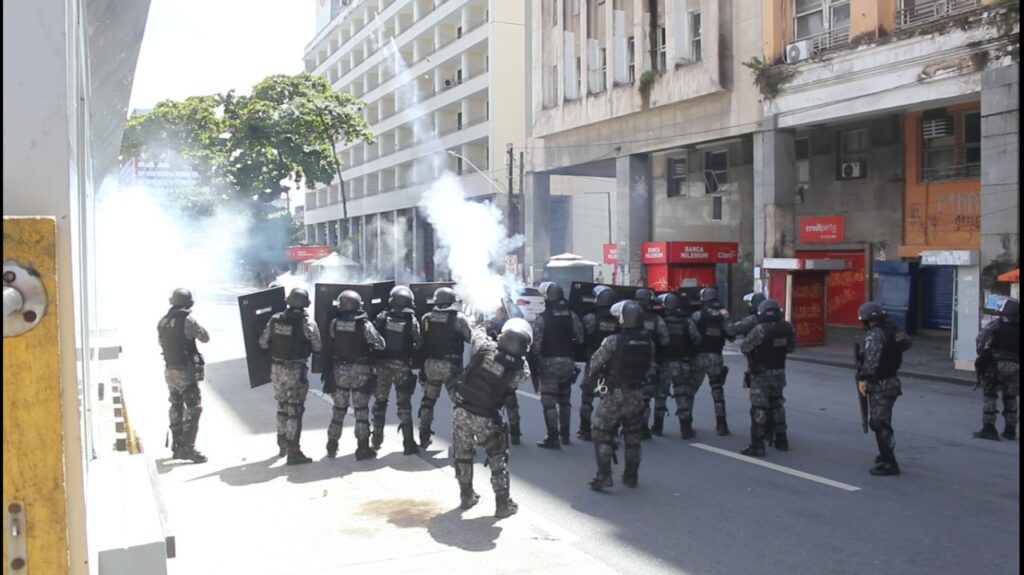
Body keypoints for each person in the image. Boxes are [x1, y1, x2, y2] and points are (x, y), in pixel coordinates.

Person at [451, 317, 533, 518]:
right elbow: (518, 372)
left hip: (462, 408)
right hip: (487, 416)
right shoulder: (522, 370)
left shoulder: (485, 347)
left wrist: (484, 324)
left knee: (462, 453)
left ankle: (466, 495)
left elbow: (476, 333)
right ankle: (502, 503)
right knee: (497, 456)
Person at [587, 301, 657, 490]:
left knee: (601, 432)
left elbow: (595, 363)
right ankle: (631, 476)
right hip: (637, 394)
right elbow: (650, 368)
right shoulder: (648, 343)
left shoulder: (613, 341)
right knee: (633, 435)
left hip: (615, 394)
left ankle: (604, 476)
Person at [259, 287, 322, 465]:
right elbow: (317, 347)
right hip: (296, 371)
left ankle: (282, 444)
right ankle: (294, 452)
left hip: (277, 369)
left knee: (282, 407)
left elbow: (263, 342)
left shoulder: (275, 319)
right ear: (306, 304)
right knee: (295, 410)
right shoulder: (307, 323)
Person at [324, 289, 386, 460]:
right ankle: (363, 448)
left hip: (340, 371)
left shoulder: (334, 323)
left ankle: (331, 446)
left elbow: (331, 339)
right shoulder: (365, 325)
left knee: (338, 410)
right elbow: (380, 344)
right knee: (361, 411)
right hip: (360, 371)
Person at [856, 301, 912, 476]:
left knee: (879, 423)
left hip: (880, 385)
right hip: (892, 382)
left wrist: (862, 377)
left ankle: (889, 462)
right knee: (883, 421)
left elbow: (871, 362)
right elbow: (906, 343)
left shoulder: (875, 335)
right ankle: (884, 455)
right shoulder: (891, 330)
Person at [158, 288, 210, 463]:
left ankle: (177, 445)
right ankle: (188, 448)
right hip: (184, 371)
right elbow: (205, 337)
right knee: (194, 408)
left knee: (176, 405)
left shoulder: (163, 321)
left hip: (170, 370)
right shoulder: (188, 320)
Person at [739, 299, 795, 456]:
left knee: (759, 408)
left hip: (761, 374)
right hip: (779, 372)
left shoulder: (761, 329)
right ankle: (781, 439)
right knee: (777, 404)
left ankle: (757, 445)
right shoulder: (787, 327)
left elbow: (744, 346)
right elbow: (791, 348)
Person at [531, 281, 585, 449]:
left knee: (549, 402)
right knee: (565, 400)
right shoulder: (572, 315)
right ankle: (565, 435)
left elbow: (536, 346)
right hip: (568, 362)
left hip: (549, 364)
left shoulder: (542, 318)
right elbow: (580, 338)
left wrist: (535, 364)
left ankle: (553, 438)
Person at [419, 286, 473, 449]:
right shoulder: (459, 318)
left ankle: (423, 436)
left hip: (431, 366)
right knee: (460, 404)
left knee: (428, 402)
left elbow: (421, 341)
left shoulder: (426, 318)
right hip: (452, 367)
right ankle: (462, 441)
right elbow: (471, 338)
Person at [372, 285, 423, 455]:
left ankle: (376, 440)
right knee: (404, 405)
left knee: (380, 403)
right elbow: (419, 342)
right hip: (402, 366)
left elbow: (373, 338)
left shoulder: (382, 316)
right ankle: (408, 443)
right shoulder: (411, 320)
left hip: (382, 365)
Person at [655, 293, 701, 438]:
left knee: (661, 395)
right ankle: (685, 428)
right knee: (682, 396)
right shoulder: (687, 322)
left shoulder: (661, 322)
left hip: (665, 364)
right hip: (682, 364)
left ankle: (657, 427)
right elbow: (697, 339)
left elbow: (658, 341)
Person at [973, 298, 1019, 441]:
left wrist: (982, 355)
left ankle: (989, 429)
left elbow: (980, 340)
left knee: (990, 396)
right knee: (1011, 397)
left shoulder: (995, 325)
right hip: (1015, 367)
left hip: (994, 366)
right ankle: (1010, 430)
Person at [690, 287, 734, 436]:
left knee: (690, 391)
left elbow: (691, 334)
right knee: (717, 391)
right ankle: (722, 425)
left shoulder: (698, 314)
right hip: (716, 357)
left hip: (700, 357)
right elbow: (732, 334)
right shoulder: (723, 313)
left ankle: (686, 423)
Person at [579, 286, 621, 440]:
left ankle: (584, 429)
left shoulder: (591, 318)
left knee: (587, 398)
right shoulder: (619, 319)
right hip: (613, 364)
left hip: (594, 361)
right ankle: (611, 430)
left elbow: (581, 337)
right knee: (610, 399)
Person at [634, 288, 670, 439]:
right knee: (658, 395)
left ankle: (641, 428)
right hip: (653, 363)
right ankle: (657, 427)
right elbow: (665, 340)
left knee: (642, 398)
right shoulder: (657, 320)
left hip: (634, 363)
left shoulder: (629, 318)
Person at [486, 305, 524, 445]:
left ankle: (510, 432)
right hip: (503, 364)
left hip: (502, 364)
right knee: (507, 400)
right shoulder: (499, 323)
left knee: (503, 400)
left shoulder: (510, 324)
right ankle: (510, 432)